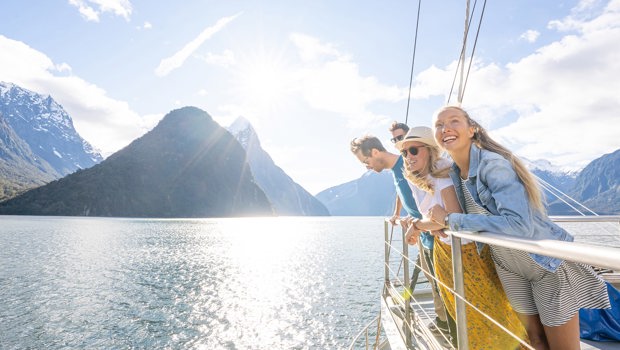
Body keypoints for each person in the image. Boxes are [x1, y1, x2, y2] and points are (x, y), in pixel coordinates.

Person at [428, 105, 611, 350]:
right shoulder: (453, 173)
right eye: (439, 124)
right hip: (507, 265)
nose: (445, 128)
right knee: (534, 341)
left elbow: (518, 225)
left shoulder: (492, 165)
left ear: (472, 130)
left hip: (544, 264)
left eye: (454, 121)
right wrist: (440, 225)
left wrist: (450, 221)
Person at [397, 126, 528, 349]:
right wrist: (424, 224)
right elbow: (437, 218)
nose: (408, 157)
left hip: (465, 253)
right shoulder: (420, 176)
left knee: (484, 310)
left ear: (429, 150)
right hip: (445, 250)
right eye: (404, 153)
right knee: (464, 312)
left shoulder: (443, 172)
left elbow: (451, 215)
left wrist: (418, 226)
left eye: (413, 150)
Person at [349, 135, 450, 338]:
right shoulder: (396, 171)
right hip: (425, 234)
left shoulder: (406, 167)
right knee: (436, 285)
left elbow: (430, 196)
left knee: (444, 287)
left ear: (375, 152)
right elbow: (402, 194)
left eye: (366, 161)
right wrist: (400, 215)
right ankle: (445, 323)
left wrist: (419, 225)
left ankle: (450, 328)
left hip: (436, 236)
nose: (367, 167)